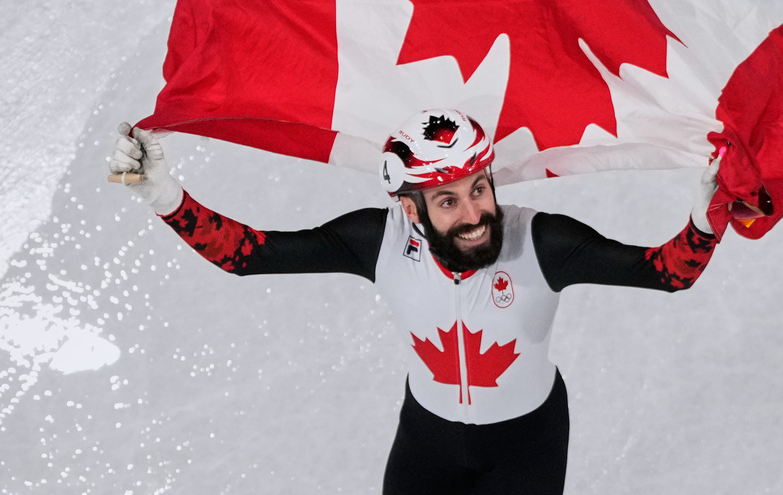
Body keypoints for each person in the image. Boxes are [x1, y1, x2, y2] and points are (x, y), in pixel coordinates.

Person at [110, 108, 722, 495]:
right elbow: (245, 255)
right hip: (427, 439)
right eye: (448, 201)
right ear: (410, 209)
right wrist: (162, 194)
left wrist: (707, 217)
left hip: (526, 445)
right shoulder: (377, 240)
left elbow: (666, 273)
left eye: (478, 190)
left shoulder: (542, 241)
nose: (476, 215)